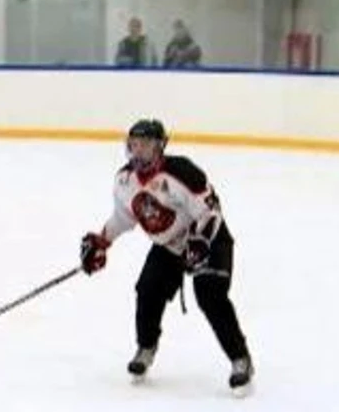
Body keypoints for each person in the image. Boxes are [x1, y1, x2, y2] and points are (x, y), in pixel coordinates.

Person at [79, 119, 254, 393]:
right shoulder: (125, 181)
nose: (139, 153)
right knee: (148, 290)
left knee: (209, 294)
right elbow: (123, 217)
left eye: (146, 147)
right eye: (134, 146)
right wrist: (103, 241)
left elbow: (210, 211)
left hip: (209, 238)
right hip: (170, 245)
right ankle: (146, 347)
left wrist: (200, 241)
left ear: (160, 147)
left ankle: (240, 358)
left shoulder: (182, 172)